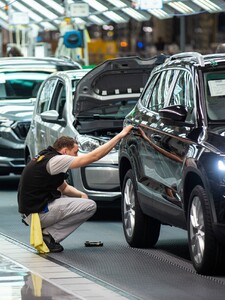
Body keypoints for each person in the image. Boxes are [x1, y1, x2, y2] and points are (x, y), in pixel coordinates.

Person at [17, 125, 133, 253]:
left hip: (31, 212)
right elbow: (93, 157)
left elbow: (64, 188)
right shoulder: (57, 160)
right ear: (65, 151)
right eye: (75, 152)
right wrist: (120, 135)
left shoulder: (46, 157)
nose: (77, 155)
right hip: (37, 214)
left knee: (78, 200)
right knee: (90, 206)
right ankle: (49, 237)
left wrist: (81, 195)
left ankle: (48, 234)